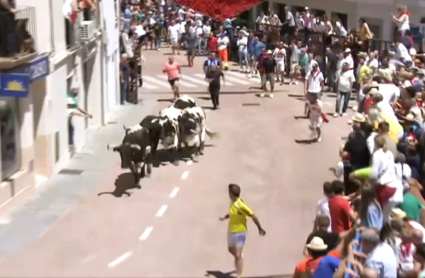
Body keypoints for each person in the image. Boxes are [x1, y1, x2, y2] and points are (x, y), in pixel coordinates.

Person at [219, 183, 266, 278]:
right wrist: (225, 217)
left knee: (237, 255)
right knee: (230, 250)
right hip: (231, 231)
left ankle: (239, 275)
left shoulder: (241, 205)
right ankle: (239, 256)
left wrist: (260, 228)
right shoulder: (232, 202)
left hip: (240, 232)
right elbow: (232, 213)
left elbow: (253, 215)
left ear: (231, 193)